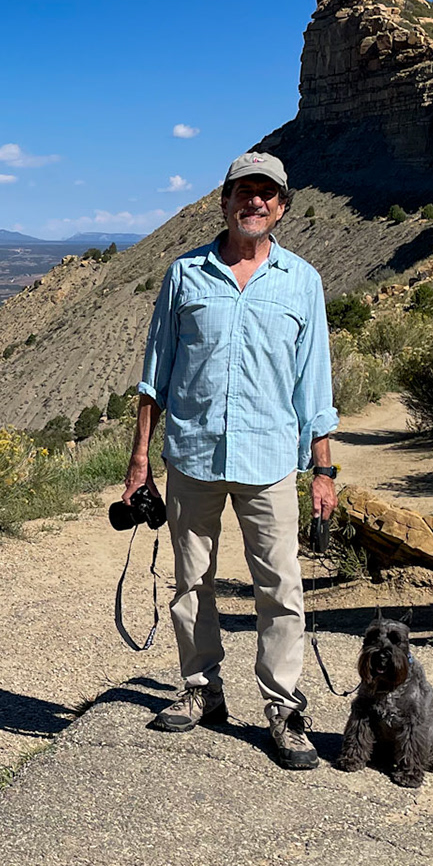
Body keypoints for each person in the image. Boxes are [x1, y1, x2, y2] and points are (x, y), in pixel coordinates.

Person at [123, 151, 339, 770]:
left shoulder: (303, 281)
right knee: (192, 580)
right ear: (223, 202)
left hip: (271, 457)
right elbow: (154, 374)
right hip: (192, 452)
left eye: (268, 195)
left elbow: (314, 384)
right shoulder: (184, 274)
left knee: (280, 584)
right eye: (244, 193)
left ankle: (282, 706)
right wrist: (140, 457)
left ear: (283, 207)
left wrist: (323, 470)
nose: (256, 203)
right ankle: (201, 691)